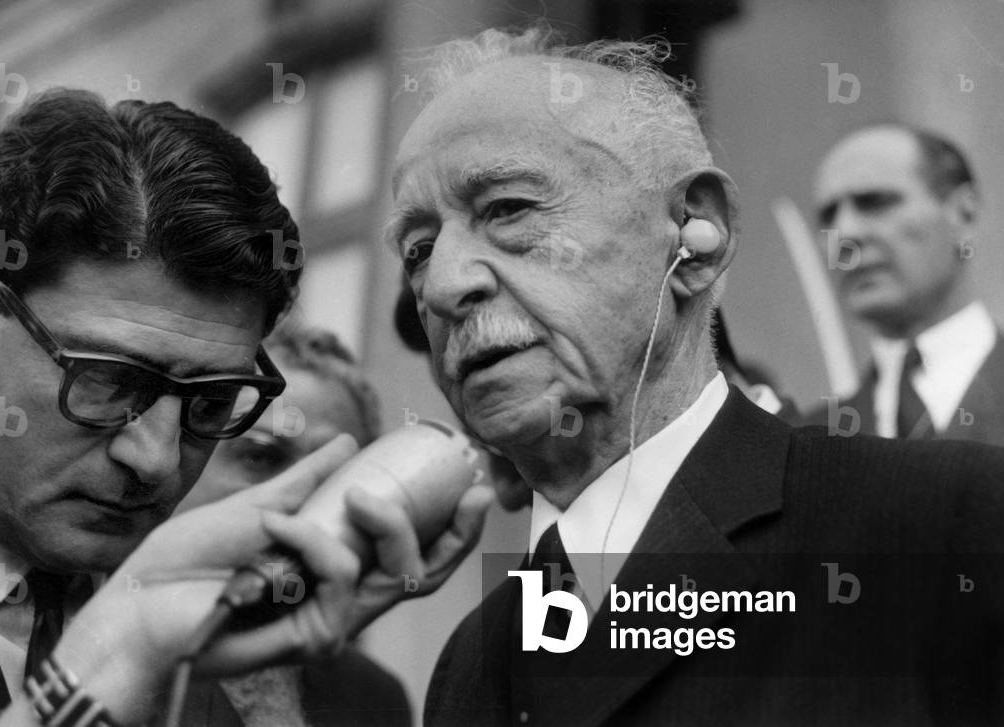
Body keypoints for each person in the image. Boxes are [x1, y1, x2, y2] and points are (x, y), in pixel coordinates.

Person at [386, 26, 1004, 726]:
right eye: (417, 248)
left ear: (694, 234)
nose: (440, 285)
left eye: (507, 209)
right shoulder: (468, 662)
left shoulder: (946, 525)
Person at [0, 89, 490, 727]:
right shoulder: (152, 626)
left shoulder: (230, 646)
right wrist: (120, 657)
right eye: (106, 380)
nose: (156, 459)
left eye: (213, 400)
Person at [174, 325, 410, 727]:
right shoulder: (86, 643)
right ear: (182, 459)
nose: (300, 498)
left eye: (334, 476)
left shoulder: (372, 697)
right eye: (261, 457)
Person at [805, 124, 1004, 443]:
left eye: (876, 202)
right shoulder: (810, 443)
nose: (844, 233)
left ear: (963, 214)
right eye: (828, 216)